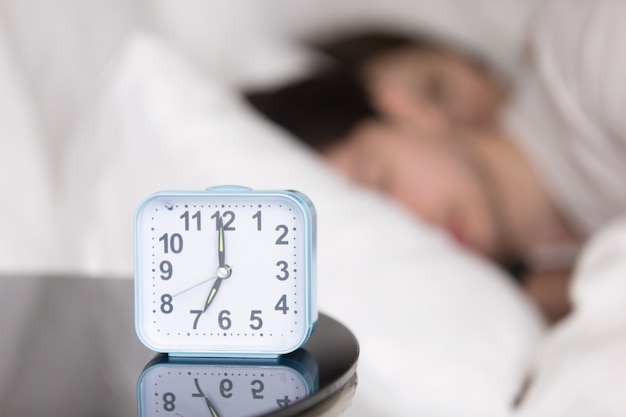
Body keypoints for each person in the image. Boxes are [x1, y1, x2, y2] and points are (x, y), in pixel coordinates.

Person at [247, 3, 626, 323]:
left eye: (382, 183)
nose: (413, 225)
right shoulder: (543, 293)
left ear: (406, 108)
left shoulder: (582, 47)